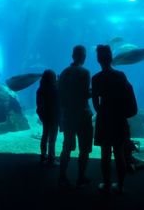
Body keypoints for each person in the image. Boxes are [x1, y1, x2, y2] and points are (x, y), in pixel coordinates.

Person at [92, 45, 135, 194]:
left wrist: (103, 112)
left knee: (105, 153)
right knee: (119, 152)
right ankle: (121, 185)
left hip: (104, 118)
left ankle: (107, 183)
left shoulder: (96, 78)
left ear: (98, 60)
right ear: (111, 58)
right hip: (119, 118)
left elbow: (95, 103)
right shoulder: (120, 75)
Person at [58, 45, 94, 188]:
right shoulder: (85, 72)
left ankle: (62, 176)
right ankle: (81, 177)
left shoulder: (64, 72)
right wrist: (95, 92)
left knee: (66, 147)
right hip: (83, 115)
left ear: (72, 56)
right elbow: (85, 94)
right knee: (84, 149)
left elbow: (60, 95)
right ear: (83, 56)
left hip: (68, 115)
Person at [36, 69, 60, 165]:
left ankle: (43, 156)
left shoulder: (40, 89)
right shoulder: (55, 90)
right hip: (54, 116)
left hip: (45, 115)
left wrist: (40, 114)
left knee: (45, 135)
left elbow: (39, 104)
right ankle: (51, 158)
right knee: (52, 138)